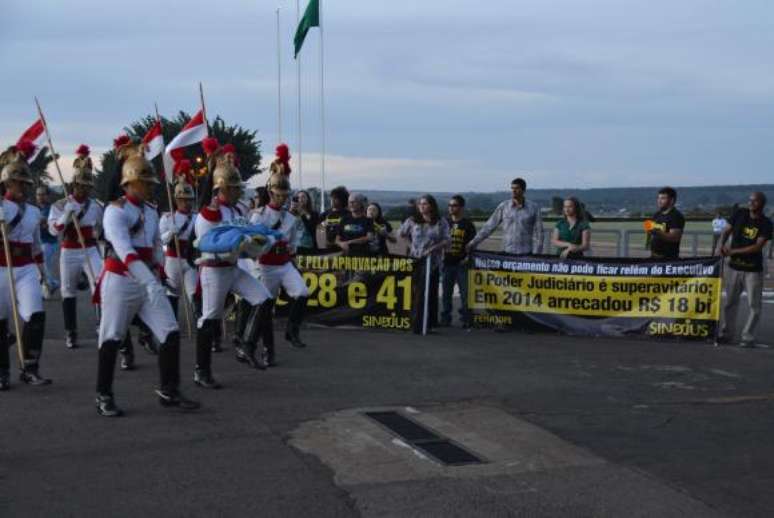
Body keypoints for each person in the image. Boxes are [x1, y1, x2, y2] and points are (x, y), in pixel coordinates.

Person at [94, 138, 199, 416]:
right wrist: (149, 281)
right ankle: (103, 394)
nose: (151, 186)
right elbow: (125, 252)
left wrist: (159, 272)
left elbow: (154, 247)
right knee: (112, 337)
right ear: (128, 183)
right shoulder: (114, 211)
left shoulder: (151, 211)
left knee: (170, 332)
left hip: (149, 281)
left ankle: (170, 389)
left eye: (152, 182)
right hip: (121, 281)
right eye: (146, 182)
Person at [194, 141, 275, 388]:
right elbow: (208, 245)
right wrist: (238, 248)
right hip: (215, 271)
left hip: (233, 268)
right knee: (210, 318)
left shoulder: (235, 208)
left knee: (263, 298)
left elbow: (245, 233)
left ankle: (246, 344)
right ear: (222, 188)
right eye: (233, 188)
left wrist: (257, 244)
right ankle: (202, 370)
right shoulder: (209, 214)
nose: (238, 192)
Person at [0, 143, 52, 390]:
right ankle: (2, 372)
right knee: (1, 323)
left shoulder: (33, 211)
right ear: (7, 184)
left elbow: (36, 244)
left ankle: (30, 367)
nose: (23, 188)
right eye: (18, 183)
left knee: (36, 316)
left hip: (27, 269)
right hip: (1, 268)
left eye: (25, 183)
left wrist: (43, 272)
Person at [48, 146, 103, 350]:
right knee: (68, 290)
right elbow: (55, 231)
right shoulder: (61, 204)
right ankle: (71, 332)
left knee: (99, 283)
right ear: (74, 185)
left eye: (88, 187)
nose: (85, 190)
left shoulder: (96, 205)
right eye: (81, 186)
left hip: (89, 249)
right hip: (69, 250)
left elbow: (102, 228)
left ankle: (101, 325)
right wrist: (66, 216)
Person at [249, 176, 310, 357]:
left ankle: (292, 331)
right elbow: (254, 243)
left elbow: (293, 241)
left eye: (285, 196)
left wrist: (292, 247)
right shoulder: (259, 215)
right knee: (266, 309)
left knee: (302, 292)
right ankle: (268, 350)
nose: (282, 199)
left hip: (284, 264)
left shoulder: (290, 218)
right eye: (278, 195)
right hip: (266, 265)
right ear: (270, 193)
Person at [716, 192, 772, 347]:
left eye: (755, 201)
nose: (751, 203)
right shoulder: (740, 214)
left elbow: (757, 247)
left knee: (754, 306)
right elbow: (726, 231)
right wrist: (721, 245)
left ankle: (747, 337)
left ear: (762, 204)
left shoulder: (766, 223)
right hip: (733, 268)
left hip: (753, 270)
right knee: (730, 303)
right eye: (750, 200)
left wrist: (733, 251)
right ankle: (726, 334)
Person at [399, 195, 450, 334]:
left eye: (425, 204)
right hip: (417, 261)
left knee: (431, 292)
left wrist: (433, 248)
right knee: (419, 292)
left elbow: (447, 240)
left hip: (433, 262)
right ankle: (418, 323)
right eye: (420, 204)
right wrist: (411, 247)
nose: (422, 206)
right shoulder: (412, 220)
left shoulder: (441, 221)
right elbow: (401, 234)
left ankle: (431, 322)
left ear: (432, 206)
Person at [466, 178, 543, 255]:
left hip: (526, 254)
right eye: (512, 188)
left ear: (523, 190)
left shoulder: (534, 208)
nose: (513, 191)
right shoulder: (504, 206)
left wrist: (536, 254)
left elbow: (539, 233)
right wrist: (473, 242)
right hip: (506, 254)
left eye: (516, 188)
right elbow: (489, 227)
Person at [159, 172, 197, 320]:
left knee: (194, 292)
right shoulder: (167, 218)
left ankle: (200, 324)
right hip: (173, 259)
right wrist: (170, 233)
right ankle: (172, 322)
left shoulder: (196, 217)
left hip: (190, 259)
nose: (186, 203)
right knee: (172, 292)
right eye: (182, 200)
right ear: (176, 200)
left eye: (189, 200)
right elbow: (160, 239)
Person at [440, 195, 476, 328]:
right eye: (449, 205)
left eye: (454, 205)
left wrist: (468, 258)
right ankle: (445, 318)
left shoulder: (468, 224)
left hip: (462, 264)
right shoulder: (445, 223)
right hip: (447, 263)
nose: (451, 208)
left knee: (465, 293)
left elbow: (473, 244)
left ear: (461, 207)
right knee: (446, 293)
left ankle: (466, 318)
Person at [35, 185, 60, 298]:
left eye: (42, 194)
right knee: (41, 266)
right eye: (38, 194)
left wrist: (40, 222)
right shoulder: (36, 209)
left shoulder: (51, 209)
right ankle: (47, 286)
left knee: (44, 265)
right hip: (39, 242)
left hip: (49, 242)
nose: (40, 197)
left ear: (48, 196)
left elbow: (43, 223)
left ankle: (52, 284)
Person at [648, 187, 684, 259]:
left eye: (663, 198)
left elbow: (675, 238)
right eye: (658, 198)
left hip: (668, 259)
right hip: (654, 256)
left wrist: (657, 232)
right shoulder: (656, 215)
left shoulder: (676, 216)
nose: (659, 201)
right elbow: (652, 232)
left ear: (671, 200)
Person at [320, 186, 350, 250]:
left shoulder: (348, 214)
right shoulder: (325, 214)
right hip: (327, 247)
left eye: (335, 198)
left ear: (342, 200)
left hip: (343, 248)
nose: (332, 200)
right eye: (332, 198)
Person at [291, 189, 319, 255]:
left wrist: (302, 213)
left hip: (309, 247)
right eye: (299, 197)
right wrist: (291, 211)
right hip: (295, 247)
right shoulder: (293, 213)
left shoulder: (314, 214)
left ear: (308, 199)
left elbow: (312, 229)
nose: (301, 199)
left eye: (303, 197)